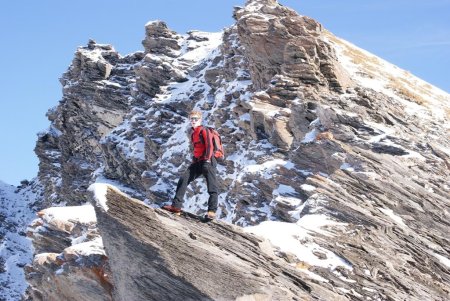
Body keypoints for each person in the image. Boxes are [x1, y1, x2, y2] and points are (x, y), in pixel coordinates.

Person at [162, 110, 219, 220]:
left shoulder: (205, 130)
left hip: (209, 161)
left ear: (200, 119)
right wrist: (195, 160)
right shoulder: (193, 133)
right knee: (183, 179)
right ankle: (176, 207)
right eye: (191, 119)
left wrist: (207, 160)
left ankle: (211, 212)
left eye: (195, 119)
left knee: (212, 187)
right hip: (198, 161)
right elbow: (196, 148)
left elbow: (209, 146)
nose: (193, 121)